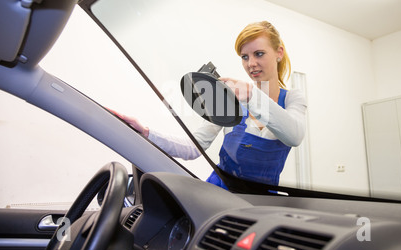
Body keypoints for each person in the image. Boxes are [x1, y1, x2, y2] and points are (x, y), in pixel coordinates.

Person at [114, 21, 307, 189]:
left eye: (259, 53)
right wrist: (147, 133)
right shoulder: (232, 98)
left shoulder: (293, 98)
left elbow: (294, 136)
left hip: (261, 201)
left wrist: (251, 95)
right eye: (245, 57)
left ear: (279, 53)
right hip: (218, 192)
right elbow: (193, 148)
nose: (251, 64)